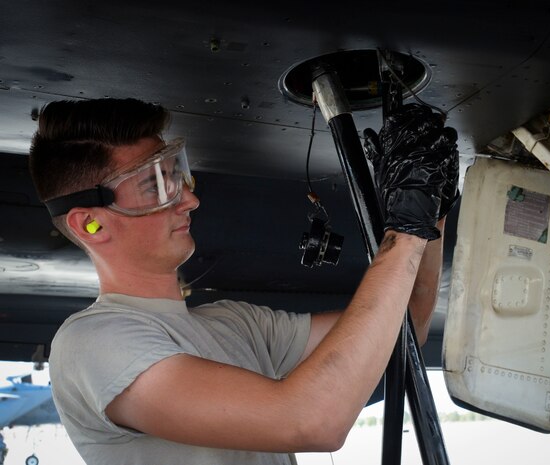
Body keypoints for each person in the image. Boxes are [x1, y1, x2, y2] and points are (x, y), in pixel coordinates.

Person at [29, 98, 458, 465]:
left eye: (176, 174)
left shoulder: (237, 325)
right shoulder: (92, 343)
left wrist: (431, 207)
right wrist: (404, 231)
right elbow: (310, 422)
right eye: (155, 186)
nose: (189, 199)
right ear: (90, 225)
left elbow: (404, 327)